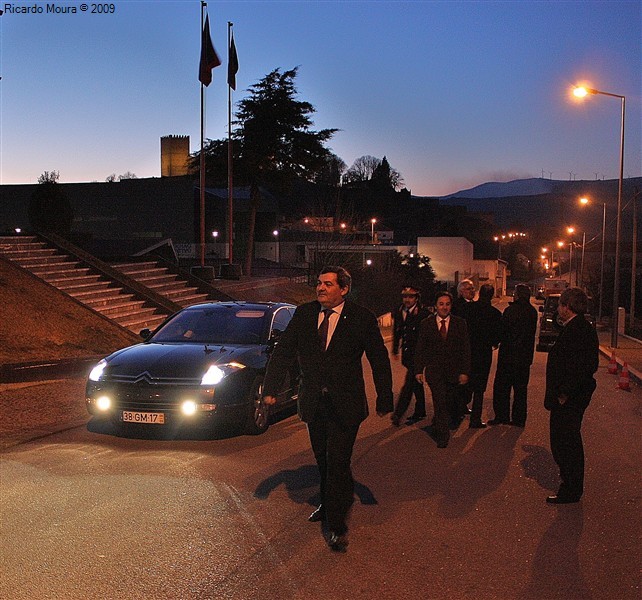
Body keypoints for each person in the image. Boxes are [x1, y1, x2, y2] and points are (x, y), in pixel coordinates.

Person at [262, 266, 393, 552]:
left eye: (328, 284)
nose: (320, 288)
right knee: (323, 458)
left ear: (343, 289)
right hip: (313, 402)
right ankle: (330, 500)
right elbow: (284, 351)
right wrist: (270, 389)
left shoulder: (361, 318)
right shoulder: (305, 314)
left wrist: (385, 397)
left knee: (338, 461)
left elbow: (379, 358)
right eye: (319, 284)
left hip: (346, 403)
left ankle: (337, 526)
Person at [544, 287, 599, 504]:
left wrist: (564, 393)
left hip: (569, 398)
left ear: (567, 307)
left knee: (566, 442)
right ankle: (569, 483)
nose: (558, 309)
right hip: (568, 396)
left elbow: (582, 367)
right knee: (563, 441)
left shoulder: (578, 330)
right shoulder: (576, 327)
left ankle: (571, 488)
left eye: (560, 305)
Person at [414, 291, 471, 448]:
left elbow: (465, 349)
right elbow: (421, 348)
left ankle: (440, 423)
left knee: (449, 401)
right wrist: (418, 370)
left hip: (453, 371)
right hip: (435, 371)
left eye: (447, 304)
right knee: (439, 402)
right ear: (435, 306)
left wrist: (465, 371)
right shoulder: (427, 324)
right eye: (441, 304)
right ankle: (442, 436)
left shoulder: (460, 324)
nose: (444, 307)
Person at [489, 283, 538, 426]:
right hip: (524, 357)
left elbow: (502, 331)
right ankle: (519, 419)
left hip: (508, 356)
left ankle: (502, 416)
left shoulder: (510, 311)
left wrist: (495, 341)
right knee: (521, 390)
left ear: (517, 295)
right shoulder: (532, 312)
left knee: (502, 388)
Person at [391, 286, 432, 426]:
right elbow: (397, 330)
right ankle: (420, 410)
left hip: (419, 354)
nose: (407, 299)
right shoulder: (399, 311)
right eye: (405, 296)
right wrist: (395, 348)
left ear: (416, 298)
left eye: (410, 297)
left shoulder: (423, 314)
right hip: (408, 354)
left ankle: (398, 414)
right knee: (416, 382)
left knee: (408, 385)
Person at [465, 283, 502, 428]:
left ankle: (457, 410)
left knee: (466, 381)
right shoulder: (495, 314)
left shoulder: (469, 309)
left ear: (479, 293)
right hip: (484, 353)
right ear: (492, 296)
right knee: (479, 388)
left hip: (469, 351)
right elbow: (497, 336)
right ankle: (475, 418)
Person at [451, 278, 476, 420]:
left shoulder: (474, 305)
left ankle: (463, 404)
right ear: (461, 291)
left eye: (473, 289)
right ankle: (458, 407)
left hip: (471, 348)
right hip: (459, 348)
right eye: (469, 289)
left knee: (469, 380)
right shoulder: (457, 307)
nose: (472, 291)